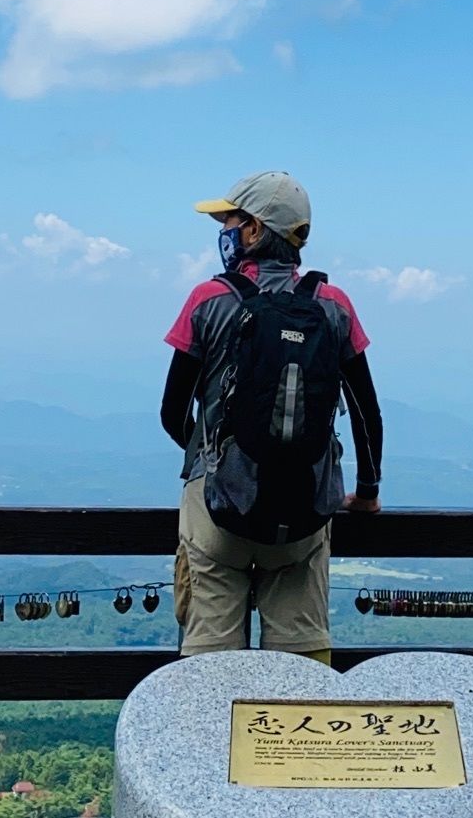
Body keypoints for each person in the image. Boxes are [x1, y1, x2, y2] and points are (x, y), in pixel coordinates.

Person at [160, 170, 383, 661]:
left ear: (257, 230)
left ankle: (208, 735)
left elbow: (172, 410)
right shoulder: (332, 305)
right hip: (303, 509)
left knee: (210, 665)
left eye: (233, 221)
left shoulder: (209, 300)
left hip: (218, 511)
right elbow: (367, 412)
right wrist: (366, 493)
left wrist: (213, 458)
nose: (226, 232)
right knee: (302, 663)